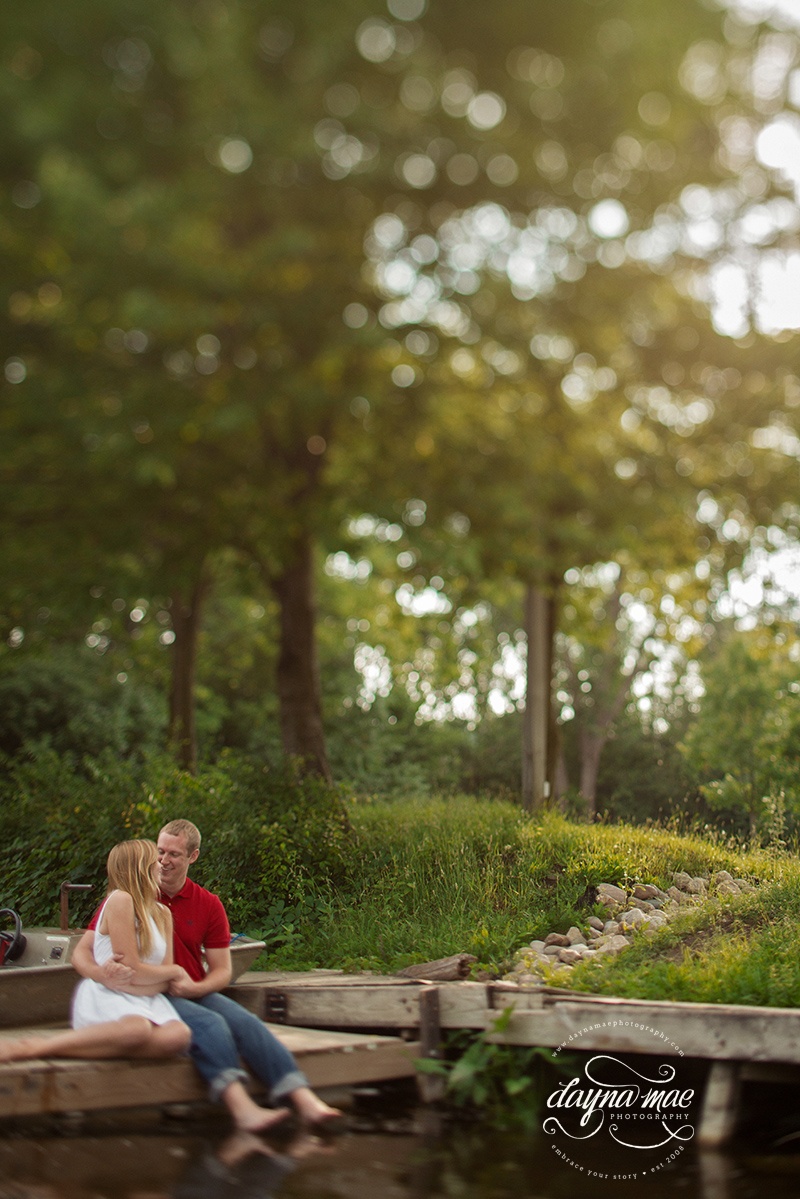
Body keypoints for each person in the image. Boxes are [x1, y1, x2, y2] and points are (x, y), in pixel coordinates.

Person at [72, 818, 342, 1135]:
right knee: (210, 1024)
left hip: (189, 988)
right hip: (152, 993)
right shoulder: (131, 894)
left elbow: (223, 971)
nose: (163, 861)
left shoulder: (209, 904)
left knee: (245, 1022)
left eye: (173, 854)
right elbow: (82, 952)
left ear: (193, 857)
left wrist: (195, 987)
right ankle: (241, 1107)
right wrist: (103, 976)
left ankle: (305, 1100)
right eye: (159, 852)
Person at [0, 840, 191, 1063]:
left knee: (178, 1037)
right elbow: (135, 969)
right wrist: (174, 972)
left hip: (145, 996)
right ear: (140, 867)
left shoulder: (163, 914)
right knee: (137, 1029)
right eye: (155, 860)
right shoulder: (121, 900)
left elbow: (162, 975)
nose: (161, 865)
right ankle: (36, 1047)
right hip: (108, 994)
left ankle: (96, 1045)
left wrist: (161, 977)